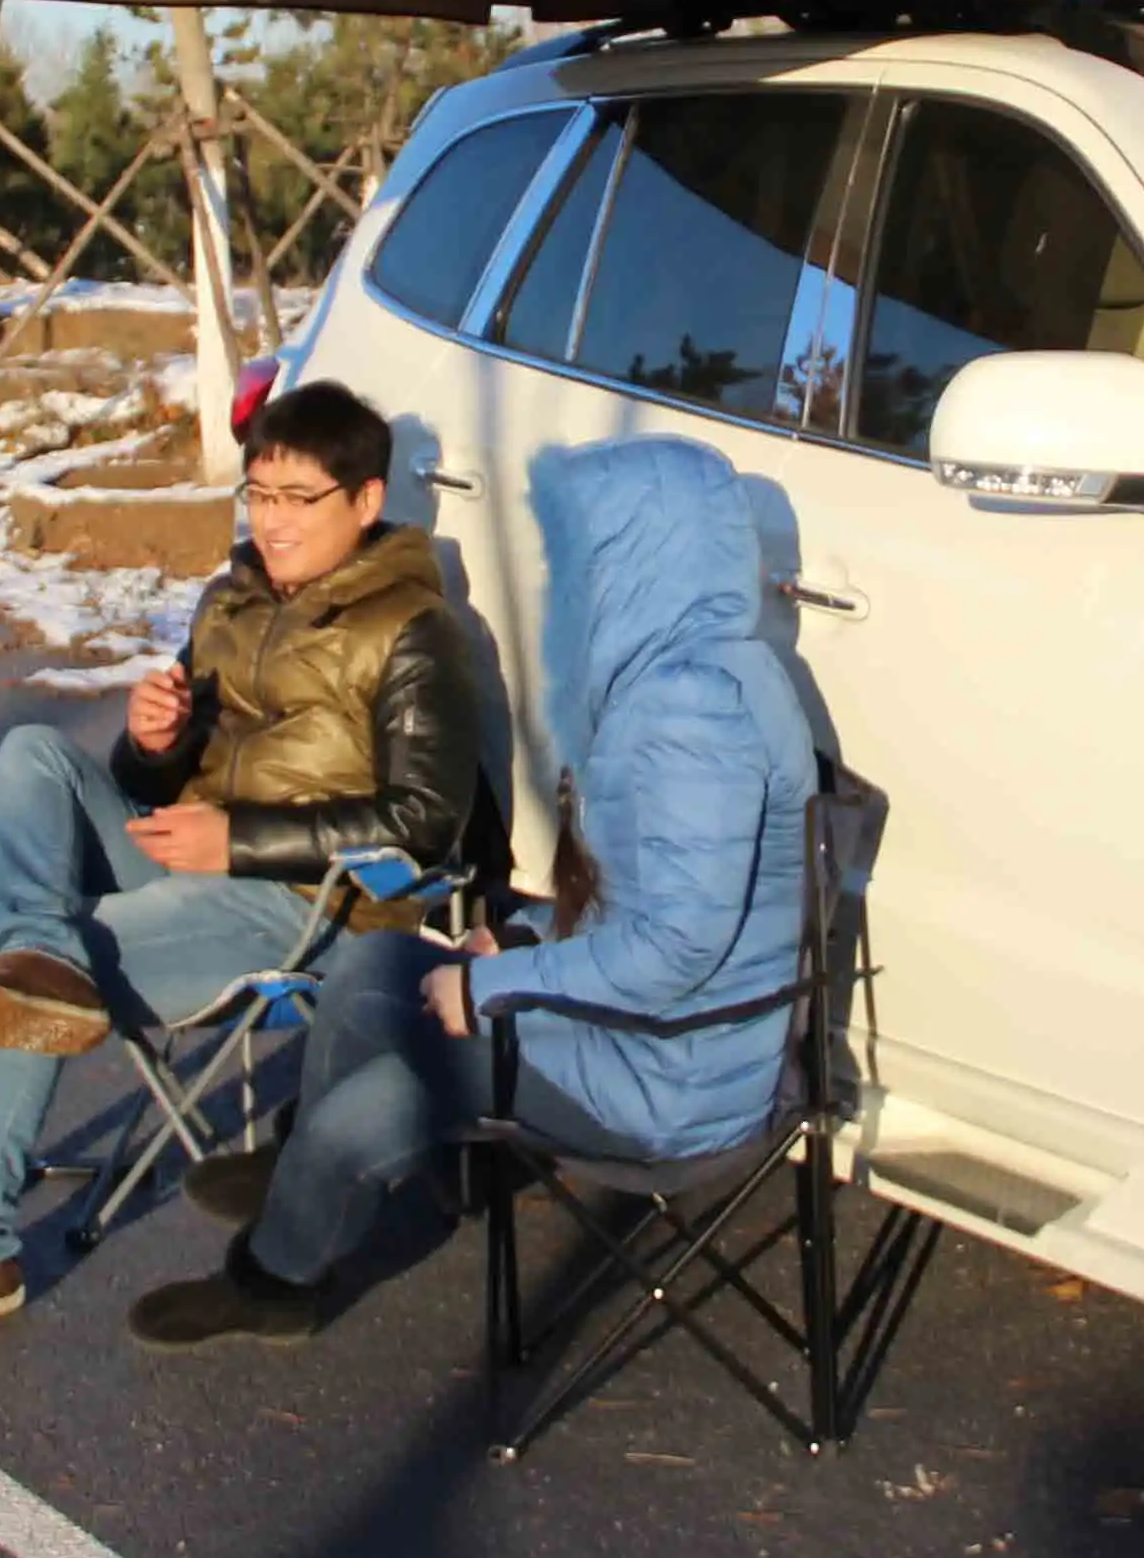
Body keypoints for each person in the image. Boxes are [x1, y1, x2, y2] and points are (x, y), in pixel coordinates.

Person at [0, 381, 495, 1344]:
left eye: (299, 499)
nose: (272, 520)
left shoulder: (415, 632)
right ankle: (40, 954)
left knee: (33, 977)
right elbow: (158, 776)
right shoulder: (234, 599)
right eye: (260, 494)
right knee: (32, 756)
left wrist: (236, 840)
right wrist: (152, 741)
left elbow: (423, 821)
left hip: (307, 906)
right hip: (188, 854)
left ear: (366, 500)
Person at [128, 430, 820, 1349]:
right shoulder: (690, 674)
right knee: (376, 968)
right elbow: (644, 902)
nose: (562, 580)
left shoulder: (691, 713)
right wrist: (523, 937)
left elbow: (674, 951)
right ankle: (305, 1178)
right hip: (651, 1028)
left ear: (638, 555)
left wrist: (491, 983)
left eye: (581, 552)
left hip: (670, 1075)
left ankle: (275, 1279)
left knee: (378, 1101)